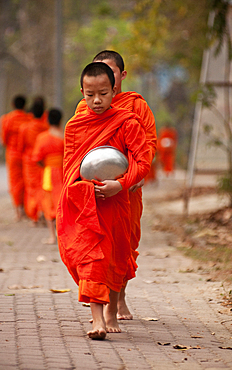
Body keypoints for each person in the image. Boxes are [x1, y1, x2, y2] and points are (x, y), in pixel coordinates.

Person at [56, 62, 150, 340]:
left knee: (115, 256)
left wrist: (119, 185)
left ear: (114, 90)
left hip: (116, 201)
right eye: (89, 94)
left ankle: (109, 312)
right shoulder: (75, 125)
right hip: (86, 203)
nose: (96, 101)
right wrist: (83, 189)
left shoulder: (127, 122)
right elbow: (70, 167)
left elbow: (142, 162)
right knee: (91, 258)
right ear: (81, 92)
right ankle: (97, 319)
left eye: (103, 94)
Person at [76, 50, 157, 320]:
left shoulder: (135, 107)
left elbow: (148, 146)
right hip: (93, 191)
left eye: (109, 73)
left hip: (127, 187)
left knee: (125, 243)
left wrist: (131, 177)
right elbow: (76, 153)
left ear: (120, 76)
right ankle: (99, 297)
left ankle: (118, 297)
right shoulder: (83, 109)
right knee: (95, 245)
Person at [32, 109, 64, 244]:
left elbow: (37, 158)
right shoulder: (65, 136)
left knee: (49, 203)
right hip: (64, 172)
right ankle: (63, 235)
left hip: (49, 173)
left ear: (48, 120)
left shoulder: (43, 137)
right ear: (60, 120)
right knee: (63, 202)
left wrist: (45, 165)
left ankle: (52, 236)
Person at [0, 95, 31, 221]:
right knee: (27, 181)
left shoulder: (6, 119)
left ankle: (18, 212)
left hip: (13, 154)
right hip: (26, 154)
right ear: (25, 105)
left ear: (13, 104)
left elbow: (3, 139)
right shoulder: (29, 119)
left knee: (15, 182)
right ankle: (28, 210)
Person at [18, 103, 49, 225]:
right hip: (43, 161)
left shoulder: (25, 128)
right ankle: (43, 210)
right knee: (43, 186)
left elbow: (21, 146)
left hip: (29, 160)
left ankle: (34, 214)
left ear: (31, 113)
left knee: (31, 188)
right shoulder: (46, 127)